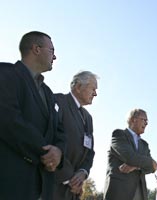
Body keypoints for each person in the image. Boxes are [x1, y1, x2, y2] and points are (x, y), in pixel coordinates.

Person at [0, 31, 65, 200]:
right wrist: (45, 153)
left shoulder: (49, 93)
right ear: (36, 49)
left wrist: (59, 153)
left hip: (43, 187)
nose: (55, 57)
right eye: (52, 50)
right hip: (11, 183)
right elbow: (8, 120)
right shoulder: (5, 74)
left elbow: (60, 131)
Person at [53, 71, 98, 200]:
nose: (95, 93)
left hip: (74, 190)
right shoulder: (58, 102)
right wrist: (70, 177)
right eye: (93, 89)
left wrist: (83, 173)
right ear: (78, 87)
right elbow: (51, 139)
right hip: (54, 185)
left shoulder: (88, 118)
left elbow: (89, 152)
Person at [103, 108, 157, 200]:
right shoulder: (119, 134)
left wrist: (135, 166)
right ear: (133, 119)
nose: (146, 123)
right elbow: (130, 157)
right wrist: (149, 162)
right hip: (119, 192)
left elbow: (152, 168)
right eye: (144, 120)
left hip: (140, 193)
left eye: (147, 121)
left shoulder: (144, 145)